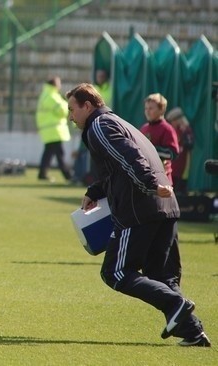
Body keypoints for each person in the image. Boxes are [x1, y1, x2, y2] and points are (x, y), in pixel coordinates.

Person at [65, 83, 211, 347]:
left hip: (140, 208)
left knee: (116, 272)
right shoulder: (118, 122)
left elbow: (130, 157)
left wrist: (150, 185)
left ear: (87, 106)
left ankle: (176, 303)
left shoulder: (99, 126)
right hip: (164, 207)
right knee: (161, 276)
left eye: (72, 109)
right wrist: (95, 190)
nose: (70, 116)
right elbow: (115, 166)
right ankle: (193, 332)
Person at [35, 76, 72, 181]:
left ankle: (42, 174)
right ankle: (68, 175)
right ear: (55, 85)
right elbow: (62, 110)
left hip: (48, 130)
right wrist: (66, 104)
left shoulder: (45, 95)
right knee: (60, 154)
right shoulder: (52, 96)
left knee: (48, 153)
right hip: (54, 130)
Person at [140, 93, 179, 184]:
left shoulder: (167, 129)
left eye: (151, 108)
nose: (147, 111)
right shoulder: (143, 128)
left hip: (162, 180)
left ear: (161, 110)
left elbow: (173, 153)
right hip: (146, 179)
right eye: (146, 108)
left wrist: (151, 150)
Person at [166, 107, 194, 195]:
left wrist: (184, 136)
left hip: (183, 162)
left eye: (173, 120)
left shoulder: (186, 130)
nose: (172, 123)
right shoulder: (172, 130)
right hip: (173, 164)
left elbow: (190, 144)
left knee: (181, 186)